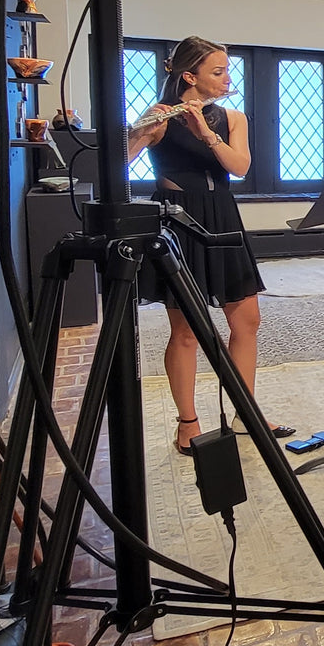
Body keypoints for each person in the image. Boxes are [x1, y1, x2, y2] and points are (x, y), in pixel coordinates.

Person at [126, 36, 291, 455]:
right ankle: (187, 422)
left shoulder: (233, 117)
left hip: (222, 214)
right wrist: (143, 134)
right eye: (218, 72)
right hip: (177, 219)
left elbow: (240, 168)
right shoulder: (158, 115)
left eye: (227, 71)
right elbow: (117, 169)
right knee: (186, 331)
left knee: (247, 319)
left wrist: (206, 133)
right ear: (189, 76)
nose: (226, 79)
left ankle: (245, 412)